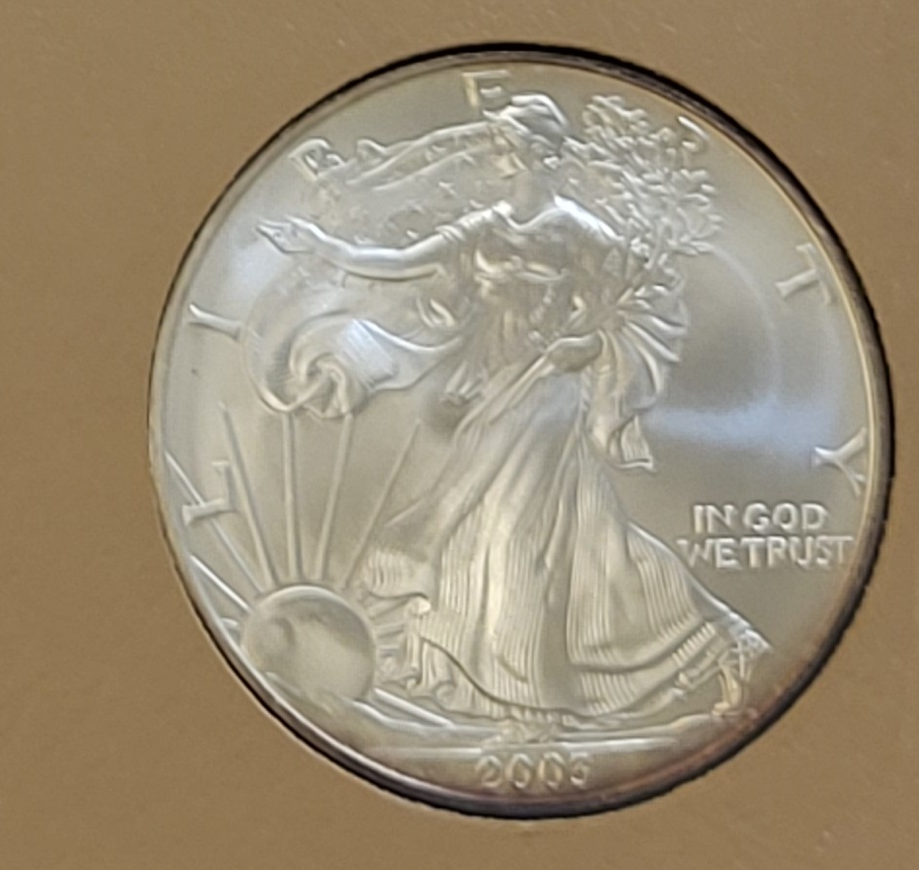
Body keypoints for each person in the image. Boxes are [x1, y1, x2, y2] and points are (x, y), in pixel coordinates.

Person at [253, 97, 758, 739]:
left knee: (513, 535)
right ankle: (720, 640)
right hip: (492, 391)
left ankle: (530, 702)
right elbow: (404, 264)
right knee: (570, 542)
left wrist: (592, 346)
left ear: (541, 155)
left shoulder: (583, 234)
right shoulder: (482, 229)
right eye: (497, 147)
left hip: (550, 392)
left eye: (507, 146)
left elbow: (646, 309)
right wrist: (326, 248)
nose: (498, 158)